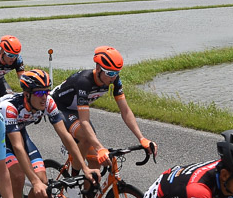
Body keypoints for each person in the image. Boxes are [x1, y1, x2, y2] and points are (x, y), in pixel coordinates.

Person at [0, 69, 98, 198]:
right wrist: (32, 181)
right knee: (19, 177)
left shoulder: (48, 102)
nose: (45, 97)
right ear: (27, 94)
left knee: (43, 182)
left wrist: (84, 168)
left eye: (47, 91)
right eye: (40, 93)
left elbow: (66, 136)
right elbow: (17, 147)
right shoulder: (10, 108)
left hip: (19, 132)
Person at [51, 45, 155, 183]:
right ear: (98, 68)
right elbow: (84, 121)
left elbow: (125, 111)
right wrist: (100, 148)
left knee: (96, 162)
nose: (114, 77)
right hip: (59, 107)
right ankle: (73, 183)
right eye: (110, 73)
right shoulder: (84, 81)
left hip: (75, 109)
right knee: (87, 139)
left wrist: (142, 138)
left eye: (117, 72)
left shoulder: (114, 80)